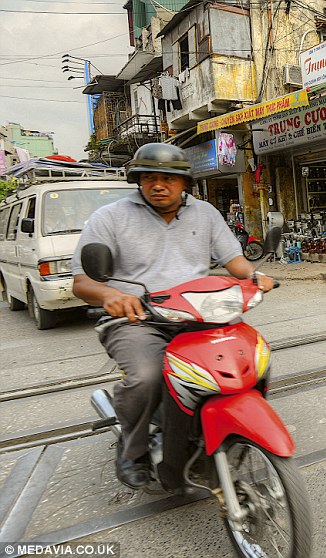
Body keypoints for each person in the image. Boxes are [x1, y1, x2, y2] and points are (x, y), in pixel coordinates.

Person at [71, 143, 275, 488]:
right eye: (149, 178)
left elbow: (233, 260)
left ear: (185, 184)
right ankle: (132, 450)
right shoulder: (110, 217)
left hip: (201, 316)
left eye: (168, 178)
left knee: (252, 360)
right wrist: (111, 295)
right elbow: (81, 282)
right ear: (138, 181)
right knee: (148, 376)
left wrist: (253, 276)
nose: (158, 185)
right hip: (138, 319)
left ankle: (226, 427)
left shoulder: (206, 213)